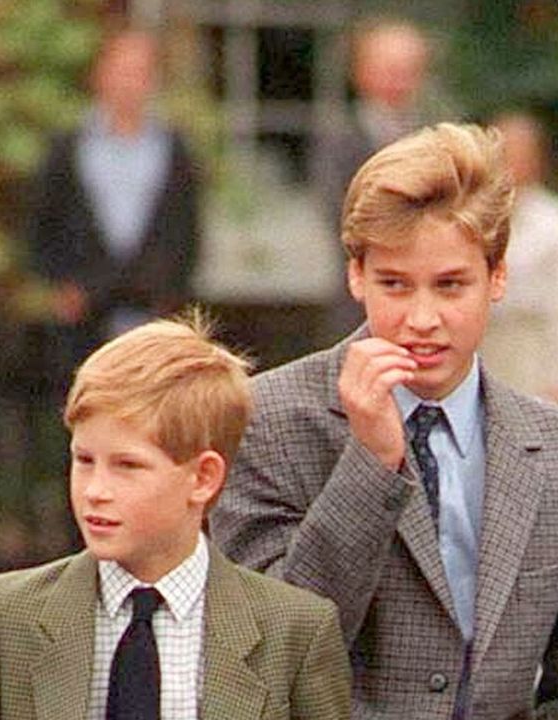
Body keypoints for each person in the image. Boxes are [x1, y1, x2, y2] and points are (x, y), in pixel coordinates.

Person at [211, 123, 558, 719]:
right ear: (356, 277)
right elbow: (269, 653)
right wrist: (370, 464)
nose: (422, 318)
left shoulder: (546, 443)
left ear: (496, 278)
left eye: (450, 286)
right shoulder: (265, 419)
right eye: (394, 285)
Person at [0, 316, 351, 720]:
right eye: (84, 460)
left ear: (203, 477)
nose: (95, 490)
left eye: (127, 466)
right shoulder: (5, 615)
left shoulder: (295, 630)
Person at [25, 19, 199, 370]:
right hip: (83, 309)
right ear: (100, 75)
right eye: (122, 71)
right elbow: (42, 219)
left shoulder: (174, 148)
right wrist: (61, 285)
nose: (130, 83)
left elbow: (187, 227)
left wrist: (171, 292)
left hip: (150, 308)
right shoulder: (68, 147)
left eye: (140, 72)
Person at [318, 18, 441, 338]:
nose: (399, 81)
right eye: (390, 70)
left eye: (408, 70)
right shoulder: (339, 137)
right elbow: (339, 213)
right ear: (361, 72)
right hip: (360, 302)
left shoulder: (438, 136)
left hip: (431, 300)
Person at [479, 111, 558, 400]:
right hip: (483, 346)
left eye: (520, 153)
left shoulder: (552, 221)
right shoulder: (472, 215)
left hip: (531, 350)